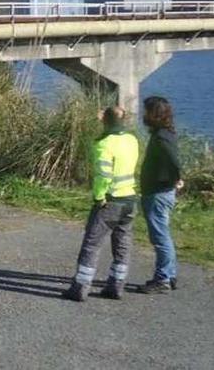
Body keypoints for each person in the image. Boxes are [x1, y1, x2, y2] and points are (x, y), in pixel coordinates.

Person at [63, 106, 139, 302]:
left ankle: (81, 287)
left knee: (92, 244)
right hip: (130, 198)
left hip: (110, 200)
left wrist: (99, 197)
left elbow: (103, 175)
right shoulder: (132, 140)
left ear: (105, 120)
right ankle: (117, 285)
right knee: (122, 243)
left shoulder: (103, 144)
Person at [138, 96, 183, 294]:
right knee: (163, 234)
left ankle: (163, 278)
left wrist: (176, 177)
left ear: (153, 114)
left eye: (146, 111)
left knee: (160, 237)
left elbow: (174, 160)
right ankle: (170, 274)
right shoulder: (165, 133)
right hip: (161, 191)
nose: (143, 114)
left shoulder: (162, 137)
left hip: (158, 192)